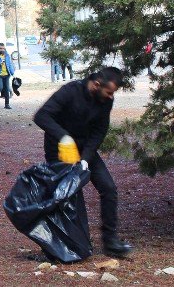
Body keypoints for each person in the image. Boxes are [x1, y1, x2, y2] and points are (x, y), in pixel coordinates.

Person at [33, 67, 133, 258]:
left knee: (108, 188)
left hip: (85, 149)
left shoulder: (105, 101)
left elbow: (99, 131)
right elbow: (41, 116)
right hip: (60, 150)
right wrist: (63, 136)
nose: (111, 97)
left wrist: (86, 158)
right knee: (69, 196)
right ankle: (70, 245)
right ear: (96, 84)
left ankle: (110, 242)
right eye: (109, 91)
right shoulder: (70, 92)